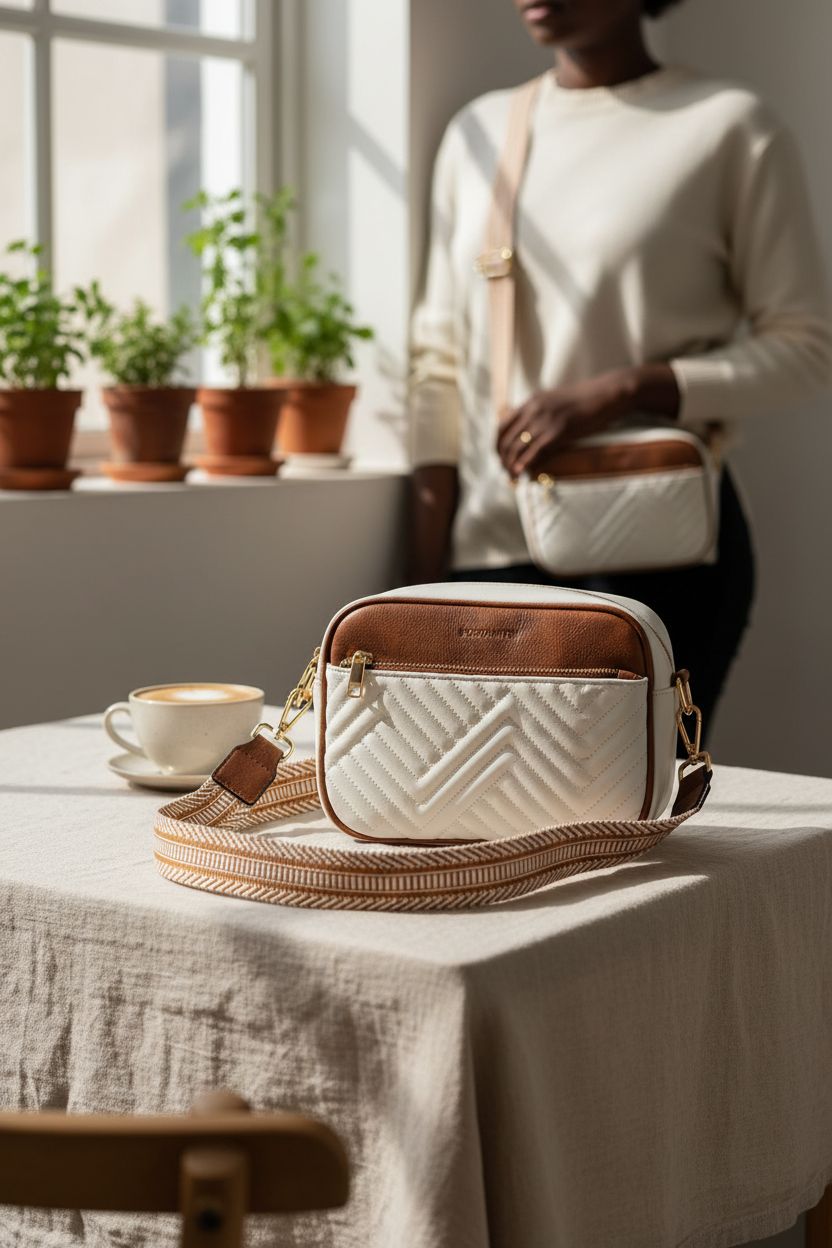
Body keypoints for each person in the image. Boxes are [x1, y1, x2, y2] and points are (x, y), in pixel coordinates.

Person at [408, 0, 832, 733]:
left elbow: (806, 348)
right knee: (487, 828)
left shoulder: (727, 126)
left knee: (639, 827)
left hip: (656, 546)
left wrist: (629, 389)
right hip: (491, 553)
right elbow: (437, 361)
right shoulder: (478, 134)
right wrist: (419, 578)